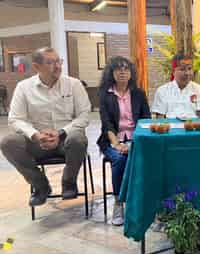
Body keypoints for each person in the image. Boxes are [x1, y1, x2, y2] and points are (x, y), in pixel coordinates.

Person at [0, 47, 90, 206]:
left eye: (58, 61)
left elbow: (84, 115)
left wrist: (61, 133)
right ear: (37, 67)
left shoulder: (74, 84)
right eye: (50, 63)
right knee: (8, 142)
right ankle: (40, 186)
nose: (57, 66)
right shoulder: (24, 87)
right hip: (38, 142)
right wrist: (35, 135)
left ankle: (69, 182)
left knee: (78, 138)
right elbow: (15, 119)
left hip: (66, 140)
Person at [97, 56, 151, 226]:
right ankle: (119, 203)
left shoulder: (138, 94)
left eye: (126, 69)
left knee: (146, 158)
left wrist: (134, 143)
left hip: (137, 138)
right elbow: (106, 124)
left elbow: (146, 120)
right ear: (111, 73)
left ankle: (142, 202)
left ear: (131, 73)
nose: (122, 72)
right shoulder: (105, 96)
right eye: (118, 69)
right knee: (121, 159)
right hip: (112, 140)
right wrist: (118, 145)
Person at [152, 53, 200, 119]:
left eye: (189, 68)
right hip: (170, 128)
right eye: (182, 69)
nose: (187, 73)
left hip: (193, 128)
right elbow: (160, 119)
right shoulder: (162, 91)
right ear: (173, 71)